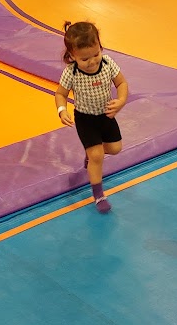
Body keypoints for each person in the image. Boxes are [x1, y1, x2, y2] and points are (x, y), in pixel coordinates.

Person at [54, 21, 128, 213]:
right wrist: (62, 110)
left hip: (106, 116)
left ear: (100, 48)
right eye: (85, 59)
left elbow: (122, 84)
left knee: (115, 148)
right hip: (85, 119)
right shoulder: (71, 73)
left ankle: (91, 156)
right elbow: (60, 94)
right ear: (72, 56)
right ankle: (98, 195)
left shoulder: (107, 63)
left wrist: (120, 101)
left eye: (96, 54)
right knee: (97, 155)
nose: (93, 61)